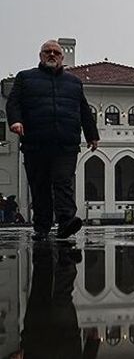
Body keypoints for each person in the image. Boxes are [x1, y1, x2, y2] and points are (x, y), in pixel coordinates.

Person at [5, 39, 99, 240]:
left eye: (56, 52)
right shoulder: (25, 78)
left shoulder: (73, 83)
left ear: (62, 58)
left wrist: (92, 135)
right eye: (47, 52)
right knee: (40, 185)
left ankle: (66, 221)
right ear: (40, 56)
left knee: (63, 181)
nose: (52, 55)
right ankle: (42, 226)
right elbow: (13, 103)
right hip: (35, 143)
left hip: (65, 143)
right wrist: (15, 121)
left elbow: (84, 110)